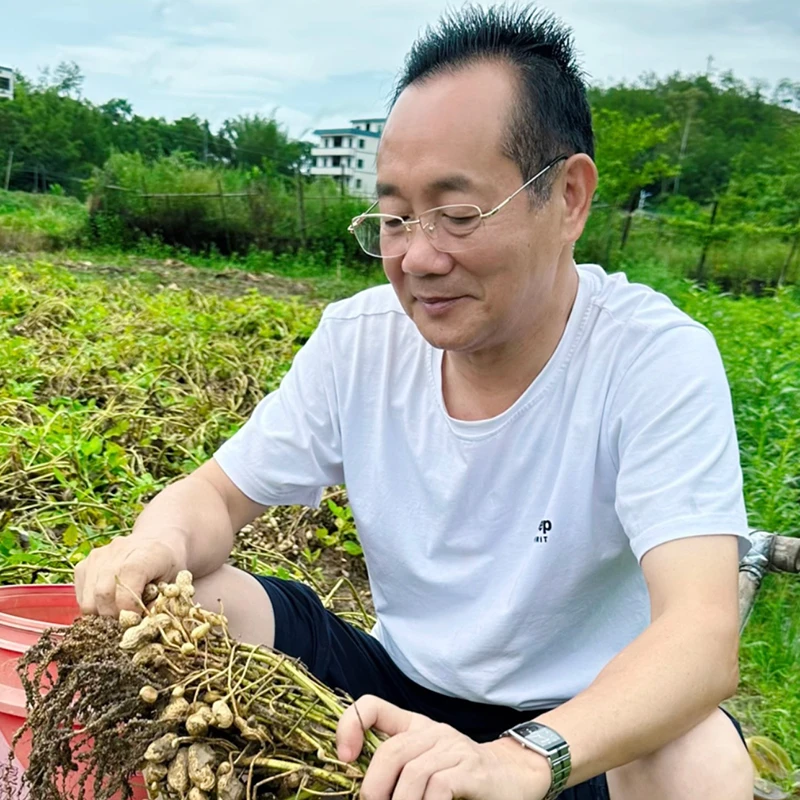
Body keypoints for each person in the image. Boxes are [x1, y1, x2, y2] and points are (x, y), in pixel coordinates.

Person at [75, 5, 755, 799]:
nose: (418, 258)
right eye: (394, 219)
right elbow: (215, 496)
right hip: (392, 693)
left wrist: (518, 760)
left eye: (459, 215)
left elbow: (701, 635)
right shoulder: (360, 340)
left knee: (696, 757)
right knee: (193, 599)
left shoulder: (650, 358)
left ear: (569, 197)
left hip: (575, 726)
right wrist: (154, 544)